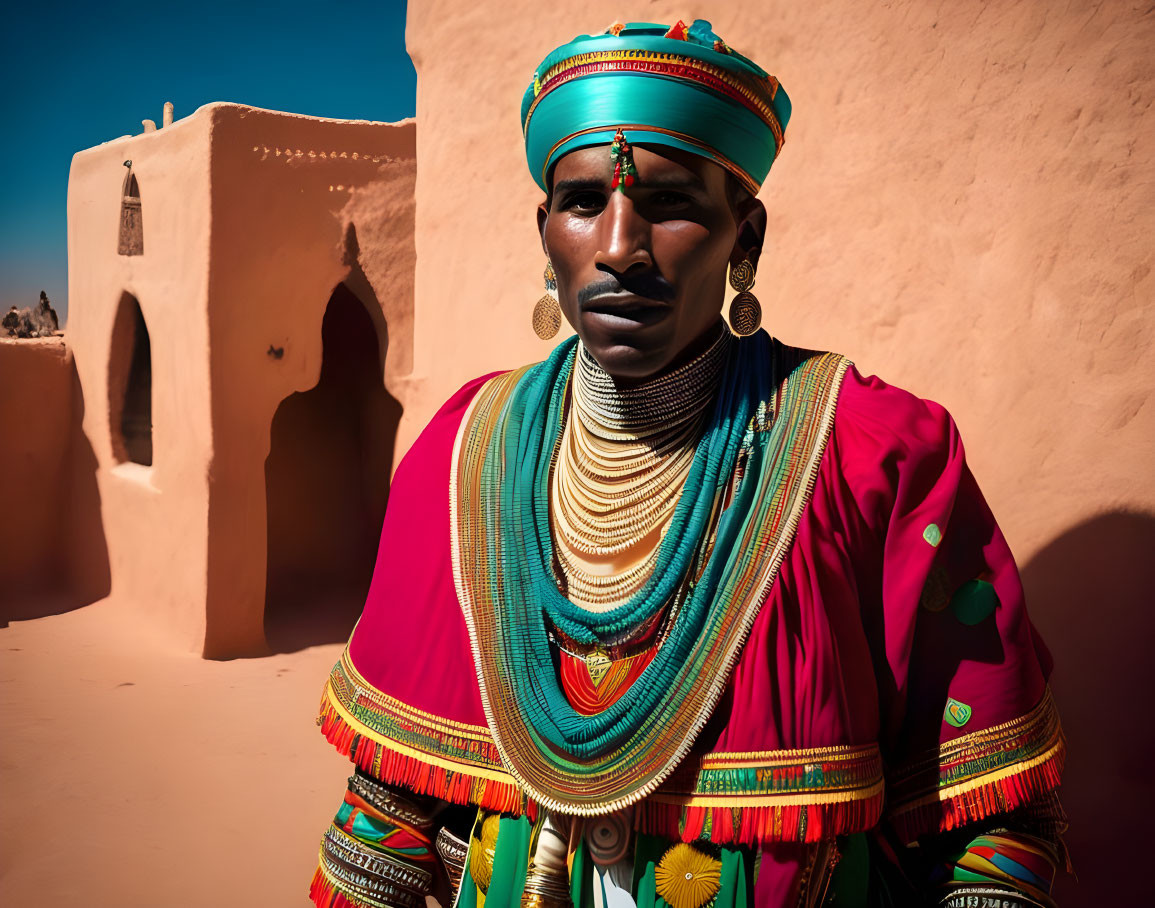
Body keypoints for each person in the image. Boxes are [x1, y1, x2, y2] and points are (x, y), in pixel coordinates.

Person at [309, 20, 1067, 908]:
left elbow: (991, 827)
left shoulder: (870, 454)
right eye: (583, 203)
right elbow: (387, 809)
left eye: (669, 203)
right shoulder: (462, 457)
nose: (620, 247)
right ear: (543, 231)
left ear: (744, 236)